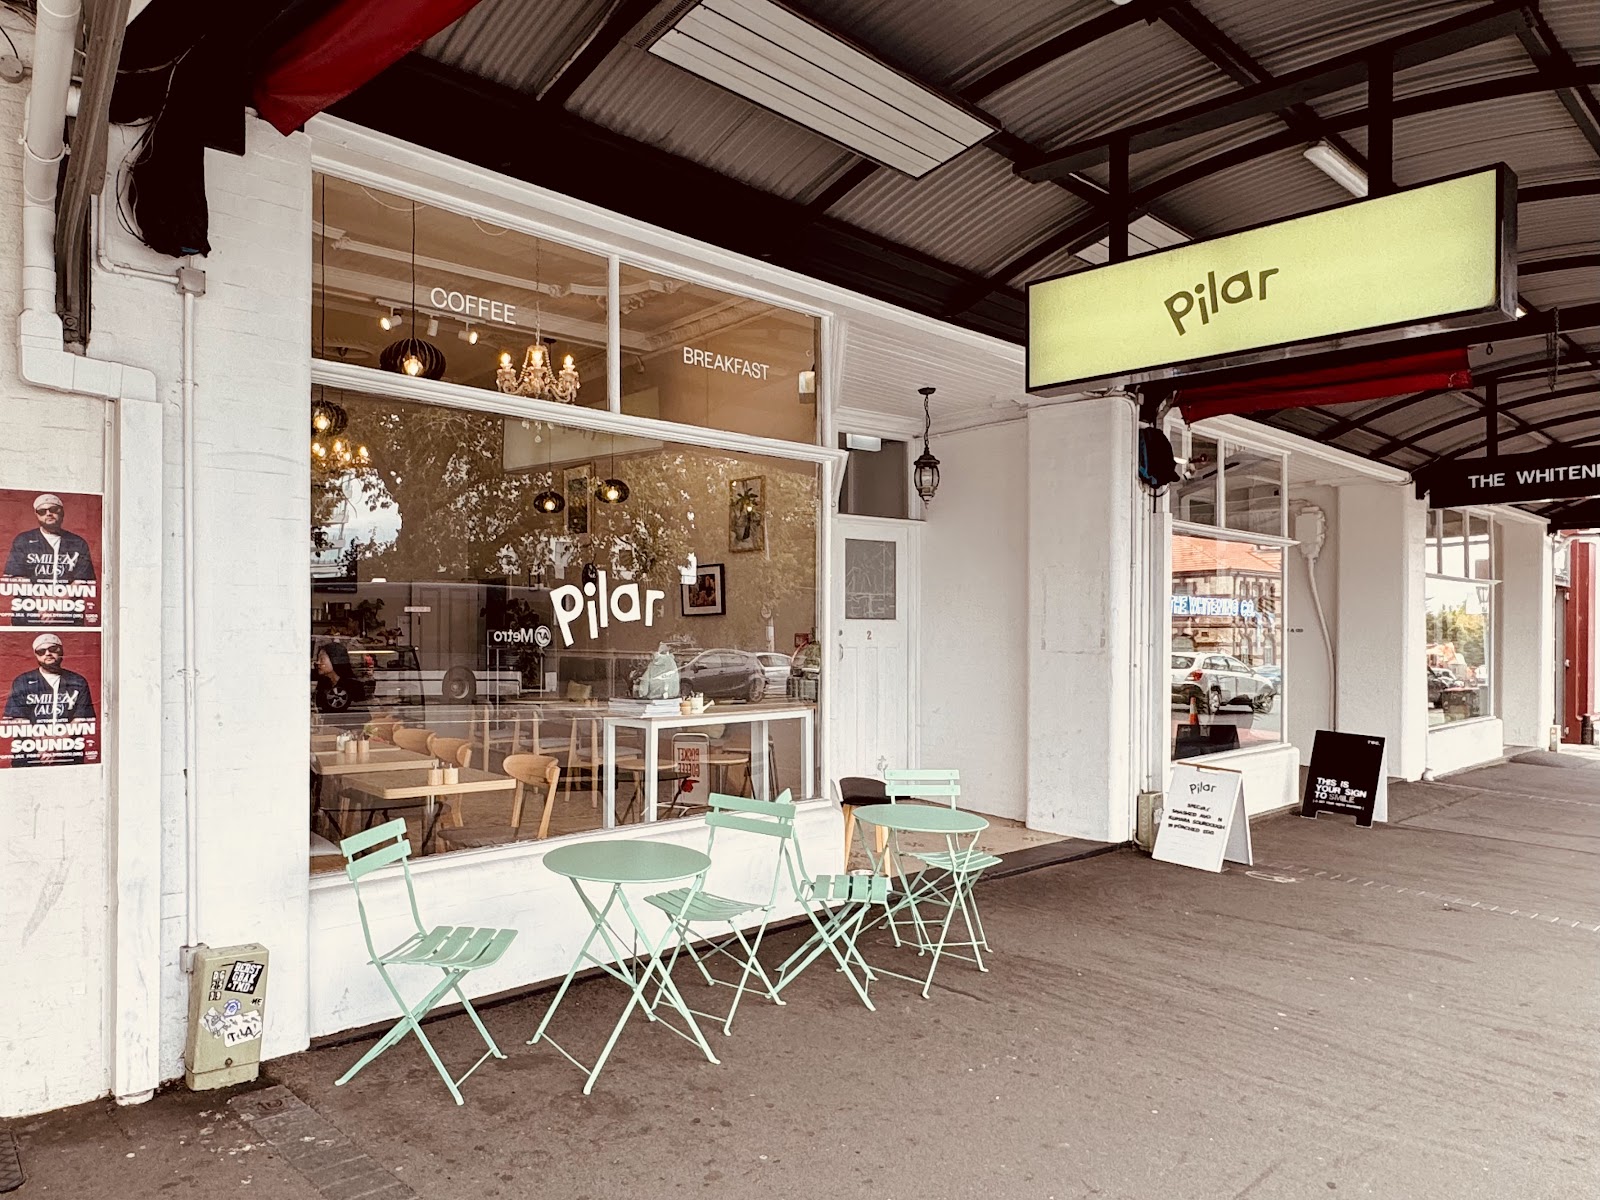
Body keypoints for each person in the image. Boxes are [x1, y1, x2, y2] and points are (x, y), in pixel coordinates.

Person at [4, 633, 96, 765]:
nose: (47, 653)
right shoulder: (22, 681)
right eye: (41, 651)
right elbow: (18, 718)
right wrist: (43, 744)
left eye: (53, 649)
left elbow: (81, 719)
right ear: (36, 655)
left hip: (68, 754)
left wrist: (56, 744)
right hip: (29, 753)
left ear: (61, 651)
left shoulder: (78, 681)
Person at [3, 494, 97, 583]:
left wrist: (60, 598)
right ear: (37, 515)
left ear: (62, 512)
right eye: (42, 511)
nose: (48, 514)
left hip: (68, 599)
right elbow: (15, 576)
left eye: (53, 509)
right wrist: (40, 599)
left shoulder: (78, 543)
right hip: (30, 599)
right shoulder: (23, 540)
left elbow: (82, 579)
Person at [312, 642, 364, 719]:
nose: (318, 662)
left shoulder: (353, 686)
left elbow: (359, 715)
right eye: (318, 659)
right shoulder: (323, 683)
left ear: (335, 660)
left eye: (322, 659)